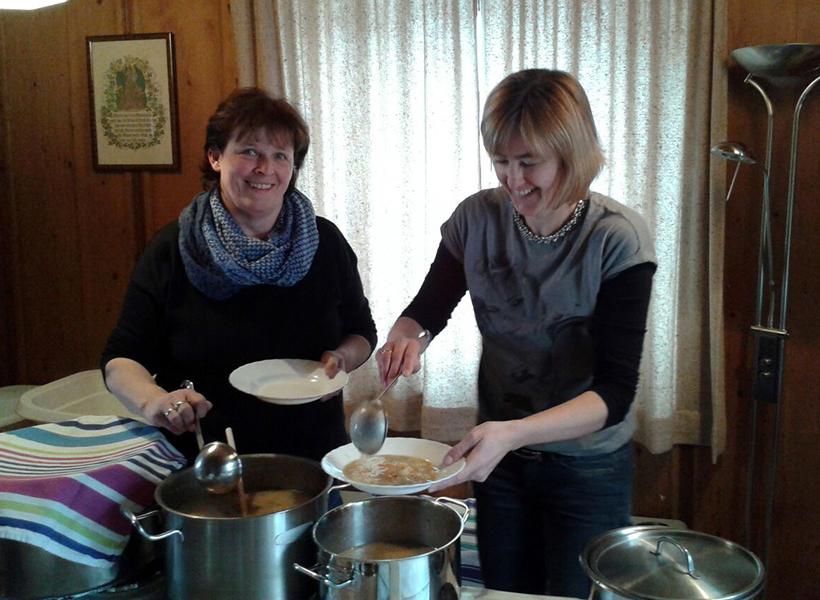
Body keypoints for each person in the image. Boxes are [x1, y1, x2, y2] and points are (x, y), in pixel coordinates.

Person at [376, 69, 655, 598]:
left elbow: (614, 395)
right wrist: (405, 336)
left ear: (571, 155)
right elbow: (427, 310)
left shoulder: (616, 239)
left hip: (588, 466)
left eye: (530, 163)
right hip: (501, 460)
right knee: (504, 590)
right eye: (501, 161)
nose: (513, 179)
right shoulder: (475, 220)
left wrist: (511, 433)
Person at [102, 87, 376, 463]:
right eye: (250, 152)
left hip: (314, 456)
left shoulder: (324, 242)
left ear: (293, 167)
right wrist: (154, 401)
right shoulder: (175, 247)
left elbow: (362, 331)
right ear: (215, 157)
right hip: (206, 460)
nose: (265, 169)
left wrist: (342, 359)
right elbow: (121, 359)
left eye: (280, 155)